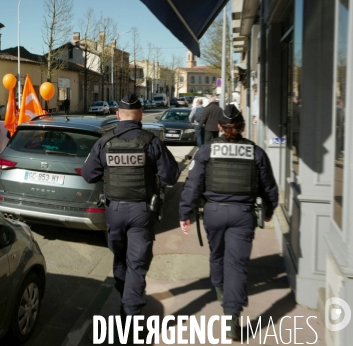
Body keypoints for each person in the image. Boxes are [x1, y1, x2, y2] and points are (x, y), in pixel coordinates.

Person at [178, 104, 278, 340]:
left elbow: (192, 185)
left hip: (213, 212)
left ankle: (221, 289)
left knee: (217, 255)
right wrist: (270, 208)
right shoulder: (255, 152)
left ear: (220, 127)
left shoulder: (206, 150)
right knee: (237, 264)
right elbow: (269, 185)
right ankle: (231, 317)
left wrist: (185, 213)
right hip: (243, 215)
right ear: (242, 127)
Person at [81, 94, 181, 318]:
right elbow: (171, 176)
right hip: (141, 211)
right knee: (136, 263)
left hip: (114, 210)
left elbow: (88, 175)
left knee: (120, 257)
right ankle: (131, 312)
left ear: (118, 115)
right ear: (141, 115)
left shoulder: (105, 141)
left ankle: (125, 298)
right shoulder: (151, 141)